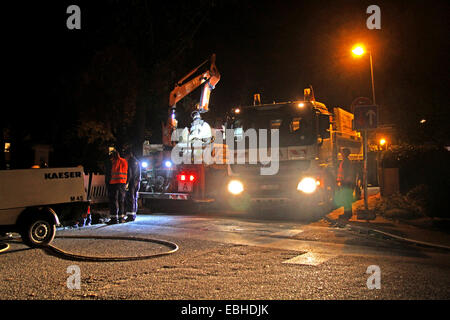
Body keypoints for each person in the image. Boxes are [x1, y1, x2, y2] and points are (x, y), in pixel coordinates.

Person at [106, 150, 128, 224]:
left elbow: (109, 173)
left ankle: (114, 219)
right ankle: (121, 218)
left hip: (113, 183)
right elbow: (127, 171)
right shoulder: (124, 161)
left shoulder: (112, 162)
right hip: (122, 183)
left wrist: (107, 183)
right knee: (121, 200)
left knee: (113, 201)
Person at [336, 148, 356, 220]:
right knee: (346, 198)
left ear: (344, 154)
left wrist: (342, 181)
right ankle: (347, 213)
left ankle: (347, 214)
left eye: (342, 152)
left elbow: (346, 173)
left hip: (345, 183)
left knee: (346, 198)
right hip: (346, 182)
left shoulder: (346, 162)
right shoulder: (346, 161)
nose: (341, 154)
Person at [124, 149, 141, 222]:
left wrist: (126, 183)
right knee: (134, 197)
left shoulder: (130, 162)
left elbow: (129, 173)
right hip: (137, 182)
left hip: (132, 182)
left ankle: (130, 216)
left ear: (128, 155)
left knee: (130, 198)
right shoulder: (137, 161)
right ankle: (133, 214)